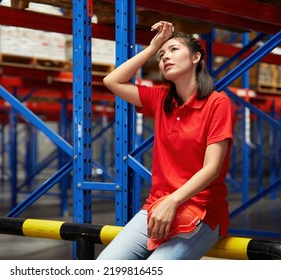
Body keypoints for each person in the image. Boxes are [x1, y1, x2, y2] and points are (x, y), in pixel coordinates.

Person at [97, 21, 236, 260]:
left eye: (174, 50)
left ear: (196, 58)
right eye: (162, 55)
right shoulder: (161, 99)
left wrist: (173, 201)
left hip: (201, 211)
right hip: (157, 206)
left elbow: (212, 169)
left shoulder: (218, 103)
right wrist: (153, 47)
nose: (165, 57)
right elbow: (112, 81)